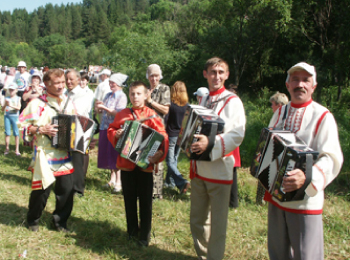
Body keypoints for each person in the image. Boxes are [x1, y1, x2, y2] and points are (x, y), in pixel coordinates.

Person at [266, 62, 343, 260]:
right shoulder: (279, 113)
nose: (300, 84)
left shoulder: (323, 116)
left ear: (313, 86)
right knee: (278, 253)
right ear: (287, 85)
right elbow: (269, 146)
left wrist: (308, 176)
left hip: (305, 202)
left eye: (305, 80)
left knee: (306, 256)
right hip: (276, 198)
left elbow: (332, 157)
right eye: (295, 79)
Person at [189, 57, 246, 260]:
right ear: (206, 74)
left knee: (218, 225)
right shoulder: (204, 99)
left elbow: (237, 134)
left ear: (227, 75)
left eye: (221, 72)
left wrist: (210, 144)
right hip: (199, 169)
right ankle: (205, 256)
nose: (217, 76)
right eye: (213, 72)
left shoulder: (233, 101)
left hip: (220, 170)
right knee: (196, 221)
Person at [107, 81, 169, 246]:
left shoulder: (152, 115)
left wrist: (159, 153)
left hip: (145, 167)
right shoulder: (122, 114)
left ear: (146, 95)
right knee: (129, 199)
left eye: (139, 93)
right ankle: (132, 231)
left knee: (145, 201)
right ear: (129, 95)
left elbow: (163, 136)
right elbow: (111, 130)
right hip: (126, 165)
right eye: (133, 94)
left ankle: (144, 235)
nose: (135, 97)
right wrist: (117, 134)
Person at [18, 69, 77, 232]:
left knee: (66, 190)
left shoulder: (67, 102)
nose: (61, 86)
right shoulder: (37, 104)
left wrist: (83, 140)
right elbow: (21, 126)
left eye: (63, 82)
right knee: (41, 190)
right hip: (44, 153)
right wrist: (40, 129)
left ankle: (60, 222)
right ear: (47, 84)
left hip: (64, 154)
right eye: (56, 83)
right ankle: (33, 220)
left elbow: (76, 125)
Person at [95, 73, 128, 194]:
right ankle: (112, 180)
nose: (110, 85)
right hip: (105, 127)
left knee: (115, 154)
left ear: (119, 83)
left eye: (113, 83)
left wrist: (105, 108)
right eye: (110, 82)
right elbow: (101, 110)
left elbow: (119, 113)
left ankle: (119, 182)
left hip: (115, 129)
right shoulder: (108, 95)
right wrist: (98, 108)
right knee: (108, 153)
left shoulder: (122, 96)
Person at [256, 91, 290, 205]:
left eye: (273, 104)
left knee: (266, 173)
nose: (271, 106)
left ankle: (262, 200)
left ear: (279, 105)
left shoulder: (284, 115)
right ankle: (262, 199)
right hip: (276, 152)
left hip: (276, 153)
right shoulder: (281, 115)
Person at [65, 69, 94, 196]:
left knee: (78, 160)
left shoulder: (84, 94)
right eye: (67, 79)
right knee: (67, 159)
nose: (68, 82)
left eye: (71, 79)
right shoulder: (65, 93)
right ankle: (67, 185)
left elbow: (79, 111)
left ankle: (78, 189)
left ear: (78, 79)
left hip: (79, 129)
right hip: (66, 127)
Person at [145, 64, 171, 199]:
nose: (154, 78)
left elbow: (166, 110)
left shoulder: (164, 89)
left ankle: (157, 193)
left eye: (156, 76)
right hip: (146, 129)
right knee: (145, 158)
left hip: (159, 130)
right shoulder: (145, 90)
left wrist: (150, 101)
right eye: (151, 76)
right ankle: (147, 189)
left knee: (158, 162)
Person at [164, 81, 190, 194]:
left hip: (171, 135)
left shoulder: (171, 105)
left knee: (169, 161)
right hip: (181, 136)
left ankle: (181, 181)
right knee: (174, 159)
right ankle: (169, 182)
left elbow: (166, 120)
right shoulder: (187, 106)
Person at [2, 82, 21, 156]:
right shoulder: (6, 98)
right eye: (10, 90)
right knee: (7, 133)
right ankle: (7, 149)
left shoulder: (18, 98)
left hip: (15, 116)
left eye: (12, 90)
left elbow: (18, 108)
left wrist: (11, 106)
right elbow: (2, 109)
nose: (11, 91)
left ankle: (17, 150)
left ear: (16, 90)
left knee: (16, 133)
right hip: (7, 116)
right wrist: (5, 105)